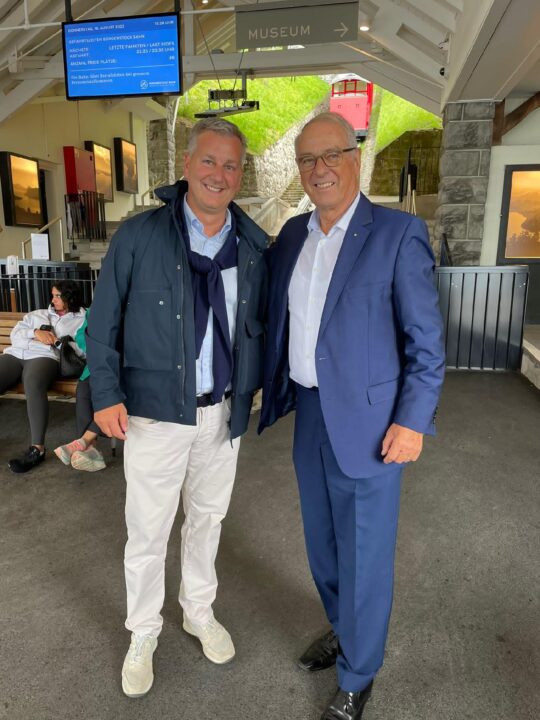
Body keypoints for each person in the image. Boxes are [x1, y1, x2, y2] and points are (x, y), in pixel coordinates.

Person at [259, 112, 445, 720]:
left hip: (372, 424)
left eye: (331, 155)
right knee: (323, 546)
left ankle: (359, 672)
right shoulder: (292, 235)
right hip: (310, 412)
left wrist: (413, 421)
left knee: (364, 555)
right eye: (307, 159)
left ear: (355, 158)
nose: (319, 169)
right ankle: (345, 629)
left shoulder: (397, 233)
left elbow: (425, 341)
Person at [85, 118, 268, 698]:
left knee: (207, 520)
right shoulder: (140, 236)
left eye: (230, 165)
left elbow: (258, 326)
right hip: (155, 413)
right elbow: (102, 322)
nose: (219, 174)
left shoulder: (252, 246)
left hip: (221, 414)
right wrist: (105, 394)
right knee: (147, 529)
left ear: (240, 175)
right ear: (186, 166)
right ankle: (143, 630)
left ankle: (198, 610)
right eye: (208, 161)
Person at [0, 280, 86, 473]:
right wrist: (35, 332)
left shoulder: (82, 319)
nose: (53, 300)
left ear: (70, 297)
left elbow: (82, 350)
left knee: (32, 381)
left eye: (58, 296)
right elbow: (15, 334)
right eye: (53, 295)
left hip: (45, 357)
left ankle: (37, 449)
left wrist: (57, 342)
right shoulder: (38, 314)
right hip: (16, 354)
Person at [53, 311, 106, 472]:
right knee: (83, 391)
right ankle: (90, 449)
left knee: (110, 396)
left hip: (123, 367)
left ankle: (82, 443)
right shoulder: (95, 310)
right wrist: (98, 346)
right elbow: (81, 335)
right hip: (98, 364)